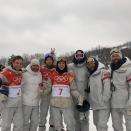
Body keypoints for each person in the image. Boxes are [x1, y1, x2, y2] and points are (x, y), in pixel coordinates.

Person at [45, 57, 84, 131]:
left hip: (67, 104)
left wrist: (79, 97)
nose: (61, 65)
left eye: (63, 63)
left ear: (65, 65)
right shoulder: (52, 75)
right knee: (57, 125)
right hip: (55, 104)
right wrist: (42, 89)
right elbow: (48, 89)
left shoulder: (69, 76)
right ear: (57, 64)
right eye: (59, 63)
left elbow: (73, 89)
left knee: (70, 123)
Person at [86, 57, 111, 131]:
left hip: (103, 104)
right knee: (96, 123)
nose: (91, 65)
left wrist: (104, 99)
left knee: (102, 125)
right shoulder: (90, 75)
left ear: (96, 62)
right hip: (95, 105)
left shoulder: (103, 71)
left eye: (92, 63)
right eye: (89, 64)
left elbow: (107, 86)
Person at [0, 55, 24, 131]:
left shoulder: (21, 72)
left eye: (20, 63)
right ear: (12, 63)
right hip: (8, 104)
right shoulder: (5, 72)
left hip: (18, 104)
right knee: (6, 125)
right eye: (17, 63)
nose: (19, 65)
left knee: (18, 125)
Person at [110, 48, 131, 131]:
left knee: (129, 125)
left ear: (121, 56)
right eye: (113, 56)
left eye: (117, 56)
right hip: (114, 104)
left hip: (127, 104)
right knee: (116, 126)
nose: (115, 58)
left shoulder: (128, 68)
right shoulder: (110, 69)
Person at [68, 50, 89, 131]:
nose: (79, 57)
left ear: (84, 56)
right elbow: (60, 67)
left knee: (84, 119)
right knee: (75, 118)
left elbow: (97, 67)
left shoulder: (87, 66)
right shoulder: (70, 66)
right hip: (74, 96)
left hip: (84, 96)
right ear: (75, 56)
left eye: (81, 55)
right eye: (77, 55)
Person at [22, 59, 42, 131]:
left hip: (36, 103)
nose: (35, 67)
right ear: (30, 65)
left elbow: (40, 87)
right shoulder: (24, 73)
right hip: (26, 102)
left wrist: (41, 89)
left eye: (37, 66)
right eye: (34, 65)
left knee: (35, 122)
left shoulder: (40, 74)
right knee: (25, 122)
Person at [39, 49, 56, 131]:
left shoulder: (56, 69)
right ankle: (41, 127)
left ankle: (52, 127)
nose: (49, 61)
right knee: (43, 112)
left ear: (53, 61)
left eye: (50, 60)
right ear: (45, 61)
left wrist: (53, 54)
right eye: (47, 60)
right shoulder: (41, 69)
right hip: (45, 94)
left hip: (54, 94)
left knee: (53, 113)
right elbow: (33, 70)